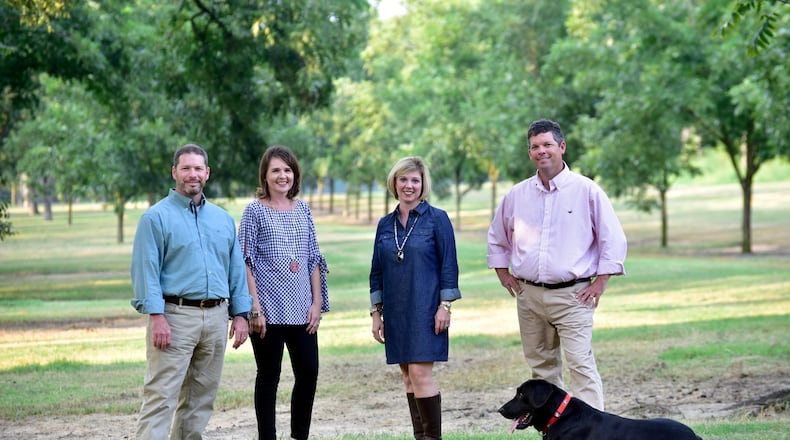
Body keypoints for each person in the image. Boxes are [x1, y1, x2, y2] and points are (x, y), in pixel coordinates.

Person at [487, 118, 627, 411]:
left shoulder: (587, 191)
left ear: (561, 147)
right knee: (542, 368)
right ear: (529, 153)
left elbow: (612, 239)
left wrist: (601, 282)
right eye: (535, 147)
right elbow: (497, 237)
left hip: (573, 296)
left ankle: (592, 432)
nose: (542, 151)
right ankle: (553, 430)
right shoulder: (517, 195)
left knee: (580, 366)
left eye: (548, 144)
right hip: (529, 297)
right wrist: (504, 274)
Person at [130, 143, 253, 439]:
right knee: (161, 396)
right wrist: (157, 316)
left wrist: (241, 314)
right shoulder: (155, 218)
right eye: (185, 168)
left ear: (207, 173)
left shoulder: (222, 219)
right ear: (174, 172)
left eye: (198, 168)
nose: (192, 175)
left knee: (200, 400)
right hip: (174, 317)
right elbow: (146, 271)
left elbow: (235, 270)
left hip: (216, 318)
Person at [238, 145, 329, 440]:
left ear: (295, 175)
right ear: (265, 175)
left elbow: (313, 258)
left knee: (309, 372)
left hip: (302, 309)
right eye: (276, 170)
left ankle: (299, 435)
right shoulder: (253, 211)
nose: (282, 176)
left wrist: (316, 303)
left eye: (287, 170)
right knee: (269, 377)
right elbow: (245, 261)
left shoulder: (303, 208)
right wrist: (254, 308)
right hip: (267, 311)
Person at [369, 156, 461, 440]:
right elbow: (376, 272)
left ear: (423, 185)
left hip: (426, 309)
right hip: (396, 312)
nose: (409, 186)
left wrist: (444, 307)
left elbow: (449, 266)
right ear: (394, 183)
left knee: (421, 376)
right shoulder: (385, 224)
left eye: (415, 180)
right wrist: (376, 313)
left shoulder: (437, 219)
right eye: (403, 179)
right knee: (408, 377)